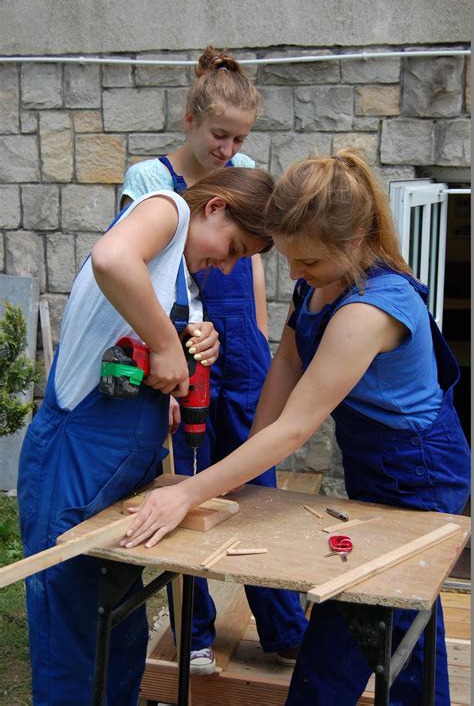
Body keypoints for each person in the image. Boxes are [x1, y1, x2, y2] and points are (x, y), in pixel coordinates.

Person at [122, 150, 471, 706]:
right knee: (407, 619)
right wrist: (242, 477)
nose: (294, 274)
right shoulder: (320, 284)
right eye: (288, 259)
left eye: (305, 262)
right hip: (381, 465)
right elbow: (285, 367)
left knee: (354, 625)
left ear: (354, 239)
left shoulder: (370, 310)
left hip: (421, 473)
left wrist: (191, 490)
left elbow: (296, 427)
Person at [17, 166, 275, 706]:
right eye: (234, 247)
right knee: (72, 635)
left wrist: (193, 346)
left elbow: (141, 354)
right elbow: (113, 260)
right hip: (74, 459)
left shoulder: (184, 282)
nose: (228, 264)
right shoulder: (167, 208)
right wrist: (164, 344)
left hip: (122, 477)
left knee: (121, 626)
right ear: (215, 207)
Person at [121, 44, 308, 674]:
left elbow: (249, 262)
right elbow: (133, 277)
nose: (228, 150)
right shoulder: (150, 182)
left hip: (239, 350)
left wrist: (254, 334)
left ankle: (284, 627)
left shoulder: (246, 170)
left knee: (257, 481)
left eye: (238, 139)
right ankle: (195, 630)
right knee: (189, 485)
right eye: (218, 135)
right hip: (182, 347)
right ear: (190, 120)